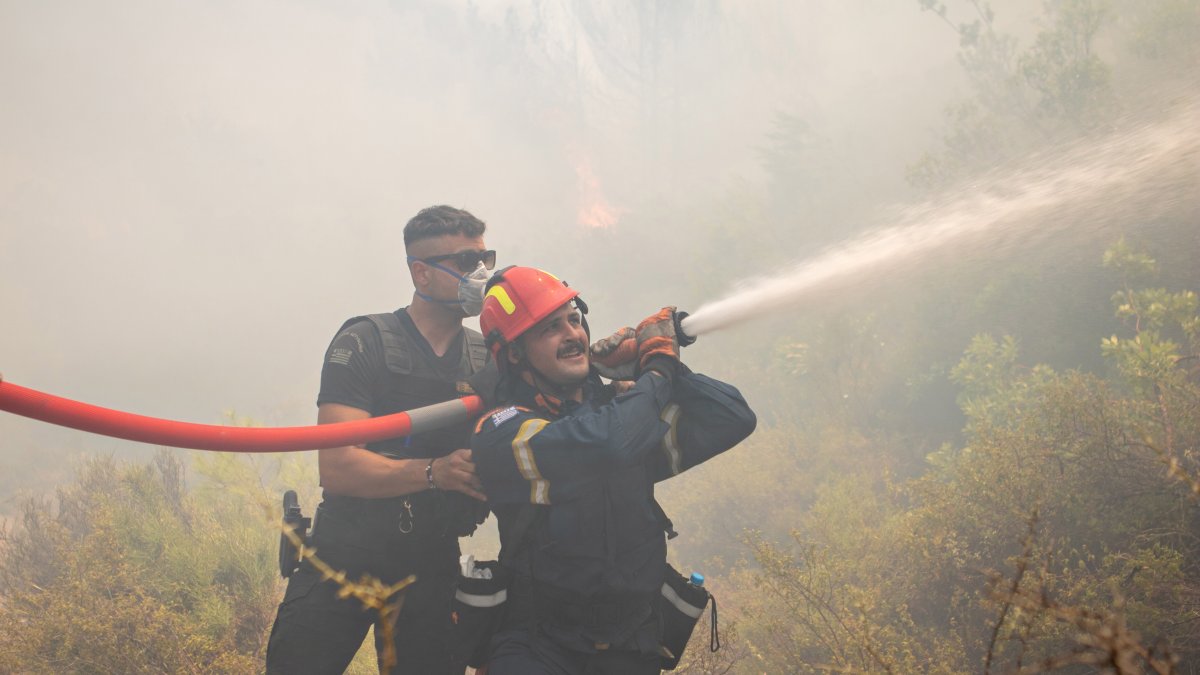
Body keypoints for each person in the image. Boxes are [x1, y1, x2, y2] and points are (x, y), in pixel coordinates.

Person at [470, 266, 756, 675]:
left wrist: (658, 368)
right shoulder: (502, 429)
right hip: (538, 645)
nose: (572, 334)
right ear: (514, 353)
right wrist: (657, 368)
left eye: (574, 319)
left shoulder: (618, 411)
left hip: (631, 643)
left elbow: (732, 417)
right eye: (551, 328)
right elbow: (607, 445)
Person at [266, 205, 496, 675]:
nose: (482, 274)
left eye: (485, 258)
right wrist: (434, 473)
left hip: (431, 564)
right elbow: (338, 467)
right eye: (464, 263)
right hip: (344, 554)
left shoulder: (488, 357)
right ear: (421, 273)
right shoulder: (364, 342)